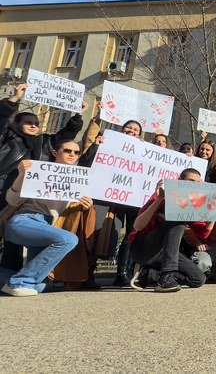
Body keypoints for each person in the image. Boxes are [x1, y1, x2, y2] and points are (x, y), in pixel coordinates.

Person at [0, 83, 86, 275]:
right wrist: (14, 99)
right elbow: (1, 119)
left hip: (25, 198)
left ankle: (9, 274)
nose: (34, 125)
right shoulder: (7, 137)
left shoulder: (44, 142)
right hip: (4, 187)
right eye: (29, 122)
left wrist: (78, 116)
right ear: (16, 124)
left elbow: (66, 137)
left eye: (36, 123)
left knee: (12, 242)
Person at [0, 140, 92, 296]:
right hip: (25, 220)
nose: (72, 154)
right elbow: (12, 200)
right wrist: (22, 174)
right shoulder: (38, 171)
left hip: (49, 227)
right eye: (67, 150)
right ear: (55, 152)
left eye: (77, 152)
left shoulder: (80, 180)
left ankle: (17, 280)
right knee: (68, 240)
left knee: (41, 286)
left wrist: (86, 204)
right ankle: (19, 281)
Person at [78, 109, 145, 287]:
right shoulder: (106, 142)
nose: (131, 131)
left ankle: (123, 273)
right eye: (128, 128)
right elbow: (85, 162)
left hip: (132, 200)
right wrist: (97, 146)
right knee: (99, 233)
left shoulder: (144, 150)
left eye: (135, 130)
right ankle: (87, 273)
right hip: (106, 199)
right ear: (122, 130)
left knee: (129, 234)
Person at [128, 169, 208, 292]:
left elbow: (204, 233)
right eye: (191, 181)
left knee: (198, 279)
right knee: (178, 220)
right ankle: (167, 276)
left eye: (197, 183)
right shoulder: (162, 196)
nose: (194, 185)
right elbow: (138, 226)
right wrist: (159, 199)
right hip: (143, 248)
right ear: (180, 181)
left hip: (167, 252)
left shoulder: (194, 204)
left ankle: (150, 274)